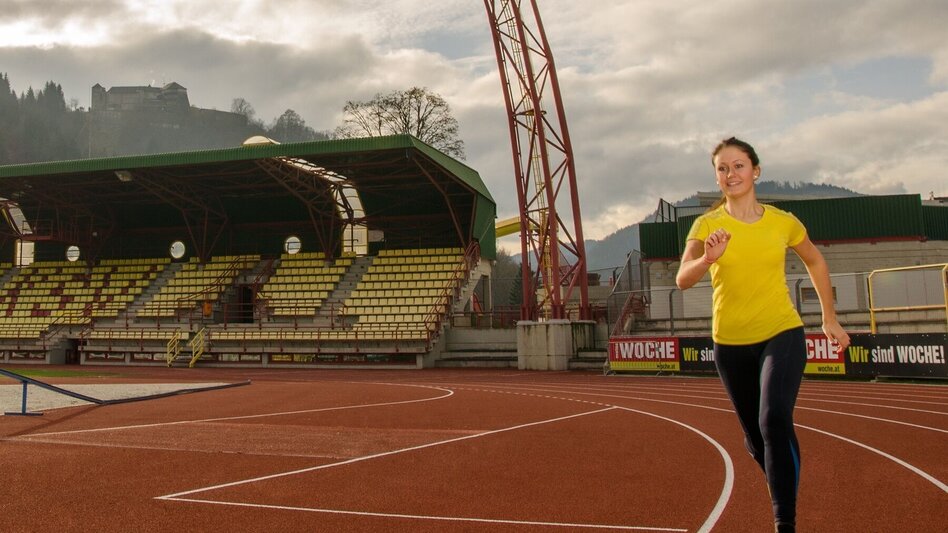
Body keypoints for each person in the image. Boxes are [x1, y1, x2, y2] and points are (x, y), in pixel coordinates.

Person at [675, 137, 850, 533]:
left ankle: (784, 521)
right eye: (722, 168)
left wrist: (829, 318)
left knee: (773, 420)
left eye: (738, 166)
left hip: (781, 332)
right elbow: (683, 279)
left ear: (755, 171)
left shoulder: (783, 222)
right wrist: (707, 258)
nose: (730, 174)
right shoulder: (707, 225)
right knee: (757, 438)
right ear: (716, 178)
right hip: (730, 343)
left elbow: (816, 261)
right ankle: (780, 475)